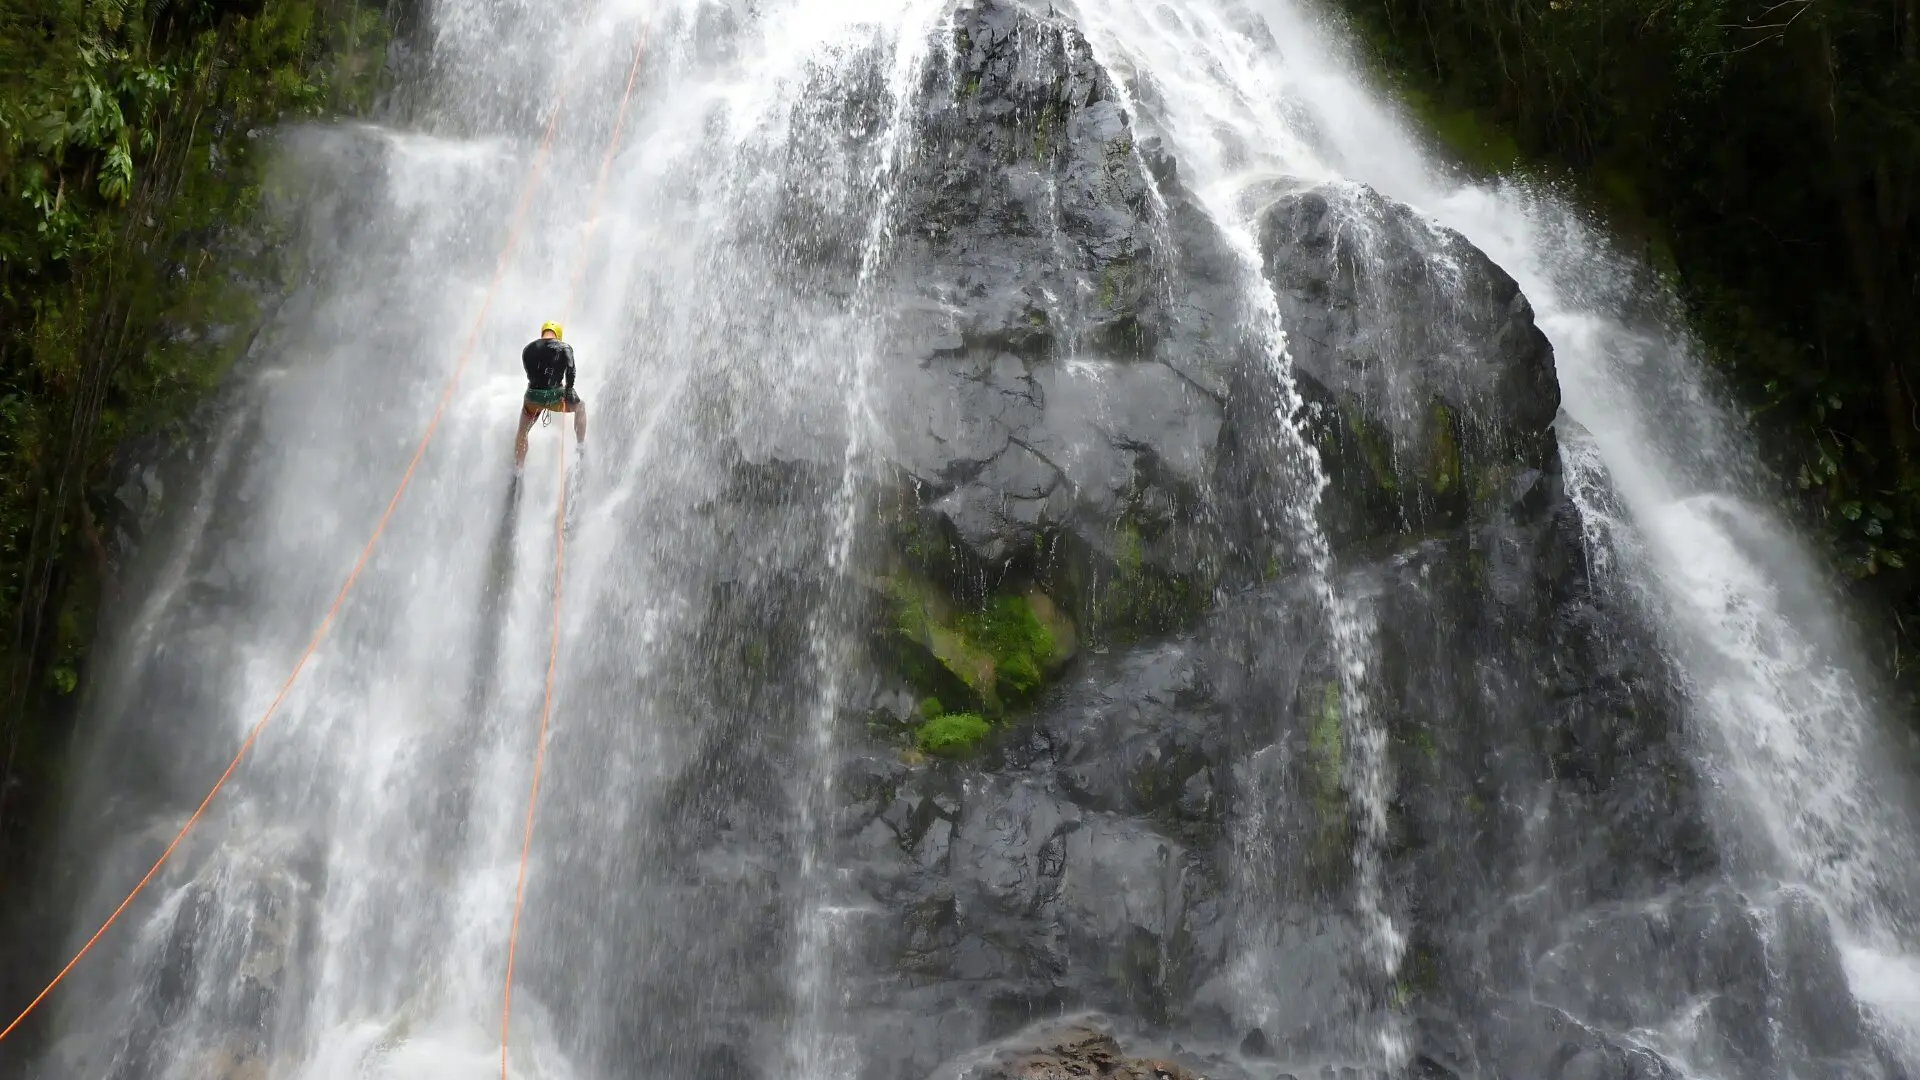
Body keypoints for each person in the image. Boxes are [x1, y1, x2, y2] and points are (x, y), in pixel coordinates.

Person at [515, 321, 587, 476]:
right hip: (554, 397)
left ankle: (518, 468)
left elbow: (532, 374)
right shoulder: (564, 347)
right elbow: (571, 373)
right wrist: (568, 391)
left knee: (522, 432)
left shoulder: (527, 349)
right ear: (558, 334)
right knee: (581, 407)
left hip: (532, 397)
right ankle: (580, 446)